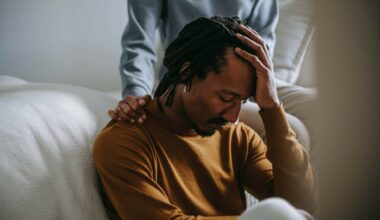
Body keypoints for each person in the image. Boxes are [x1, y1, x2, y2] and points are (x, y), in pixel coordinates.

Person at [94, 16, 317, 220]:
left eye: (244, 100)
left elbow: (302, 204)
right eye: (226, 96)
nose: (233, 116)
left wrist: (271, 108)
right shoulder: (124, 142)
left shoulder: (238, 137)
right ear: (186, 72)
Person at [111, 0, 316, 153]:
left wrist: (265, 94)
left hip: (248, 78)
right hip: (195, 79)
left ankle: (313, 209)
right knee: (295, 131)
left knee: (316, 109)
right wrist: (137, 94)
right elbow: (139, 42)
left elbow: (264, 42)